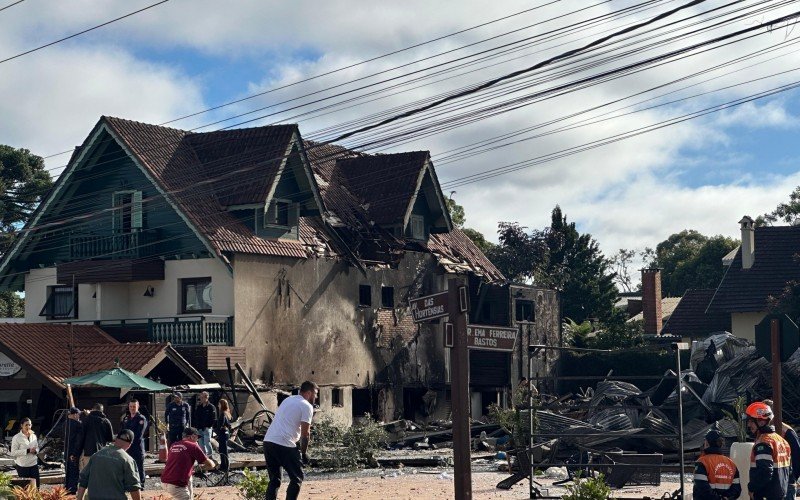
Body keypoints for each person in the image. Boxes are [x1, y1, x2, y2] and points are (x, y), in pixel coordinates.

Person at [263, 381, 318, 500]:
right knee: (297, 477)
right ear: (309, 393)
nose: (316, 397)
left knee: (275, 480)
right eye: (315, 394)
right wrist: (304, 453)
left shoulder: (288, 400)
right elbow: (305, 434)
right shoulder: (306, 406)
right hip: (284, 443)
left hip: (268, 441)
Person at [745, 401, 792, 500]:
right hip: (780, 494)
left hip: (765, 495)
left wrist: (752, 488)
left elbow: (765, 471)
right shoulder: (781, 441)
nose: (749, 425)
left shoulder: (763, 443)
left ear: (762, 421)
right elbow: (789, 470)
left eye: (751, 421)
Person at [76, 429, 141, 500]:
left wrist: (79, 499)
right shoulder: (127, 460)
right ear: (129, 445)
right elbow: (134, 487)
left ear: (116, 439)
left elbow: (83, 481)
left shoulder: (96, 455)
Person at [161, 427, 216, 500]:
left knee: (190, 478)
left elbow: (179, 461)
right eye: (197, 438)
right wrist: (210, 464)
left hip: (164, 480)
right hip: (176, 484)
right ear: (192, 436)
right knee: (185, 497)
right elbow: (211, 465)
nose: (197, 440)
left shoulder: (174, 445)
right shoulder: (193, 446)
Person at [764, 399, 800, 500]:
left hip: (786, 483)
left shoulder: (787, 432)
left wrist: (791, 478)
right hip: (775, 483)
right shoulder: (767, 432)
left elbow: (797, 456)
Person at [692, 429, 741, 499]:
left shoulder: (702, 462)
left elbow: (702, 488)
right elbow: (737, 489)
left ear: (707, 443)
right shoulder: (731, 463)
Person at [79, 403, 114, 470]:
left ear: (93, 409)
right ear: (102, 410)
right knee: (99, 474)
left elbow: (81, 438)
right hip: (101, 452)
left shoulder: (86, 420)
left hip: (88, 452)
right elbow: (110, 438)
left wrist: (76, 452)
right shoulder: (106, 421)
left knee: (87, 475)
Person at [122, 399, 148, 487]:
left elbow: (138, 435)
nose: (132, 408)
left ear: (138, 406)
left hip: (137, 447)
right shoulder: (126, 418)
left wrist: (127, 440)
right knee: (128, 467)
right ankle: (130, 484)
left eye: (134, 406)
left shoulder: (141, 418)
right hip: (127, 447)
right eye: (131, 406)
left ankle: (141, 484)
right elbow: (123, 432)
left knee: (139, 466)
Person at [10, 417, 39, 488]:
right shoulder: (16, 437)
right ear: (21, 425)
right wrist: (28, 451)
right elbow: (13, 452)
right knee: (25, 488)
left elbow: (37, 447)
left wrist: (36, 451)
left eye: (29, 425)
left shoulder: (34, 436)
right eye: (26, 425)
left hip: (33, 464)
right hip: (23, 466)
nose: (28, 427)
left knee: (36, 487)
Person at [64, 407, 83, 494]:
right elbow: (78, 441)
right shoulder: (78, 425)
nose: (79, 417)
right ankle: (72, 491)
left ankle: (66, 489)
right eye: (78, 415)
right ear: (75, 414)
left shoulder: (64, 424)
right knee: (74, 472)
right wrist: (75, 453)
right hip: (74, 452)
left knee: (67, 471)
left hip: (66, 451)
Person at [195, 391, 217, 457]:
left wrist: (209, 426)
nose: (200, 399)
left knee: (207, 442)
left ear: (206, 398)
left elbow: (214, 418)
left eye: (202, 397)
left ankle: (210, 456)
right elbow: (196, 416)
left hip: (207, 428)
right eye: (200, 397)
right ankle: (204, 457)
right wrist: (197, 426)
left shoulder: (211, 407)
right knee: (201, 443)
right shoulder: (199, 407)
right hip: (199, 428)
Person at [214, 398, 233, 472]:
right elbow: (229, 425)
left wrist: (216, 429)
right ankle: (225, 465)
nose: (218, 405)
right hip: (226, 434)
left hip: (222, 434)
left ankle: (224, 466)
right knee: (224, 450)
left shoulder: (223, 414)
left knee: (223, 451)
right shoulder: (227, 413)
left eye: (219, 404)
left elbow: (220, 425)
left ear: (221, 405)